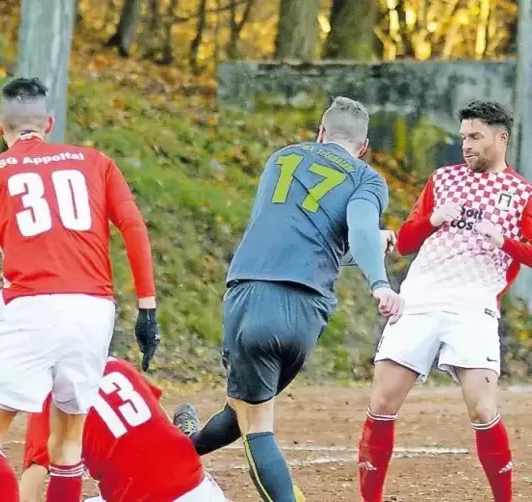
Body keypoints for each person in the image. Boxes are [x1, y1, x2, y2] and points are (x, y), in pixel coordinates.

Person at [173, 96, 404, 502]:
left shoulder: (281, 159)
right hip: (302, 310)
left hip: (248, 294)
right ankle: (178, 452)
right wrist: (379, 281)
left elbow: (301, 231)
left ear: (320, 133)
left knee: (252, 417)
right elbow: (359, 229)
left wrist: (368, 254)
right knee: (243, 409)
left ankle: (175, 452)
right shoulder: (365, 177)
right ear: (363, 147)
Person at [0, 77, 160, 502]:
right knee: (67, 447)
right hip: (92, 309)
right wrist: (147, 308)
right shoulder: (96, 162)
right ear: (49, 123)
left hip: (30, 305)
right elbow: (134, 227)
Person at [357, 100, 531, 502]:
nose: (466, 145)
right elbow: (403, 242)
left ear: (501, 138)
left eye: (475, 137)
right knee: (382, 402)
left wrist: (502, 240)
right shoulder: (443, 179)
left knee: (483, 411)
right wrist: (432, 219)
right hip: (420, 297)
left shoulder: (522, 193)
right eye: (463, 137)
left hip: (474, 305)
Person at [19, 357, 228, 502]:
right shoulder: (119, 367)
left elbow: (29, 492)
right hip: (201, 490)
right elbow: (156, 425)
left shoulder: (49, 397)